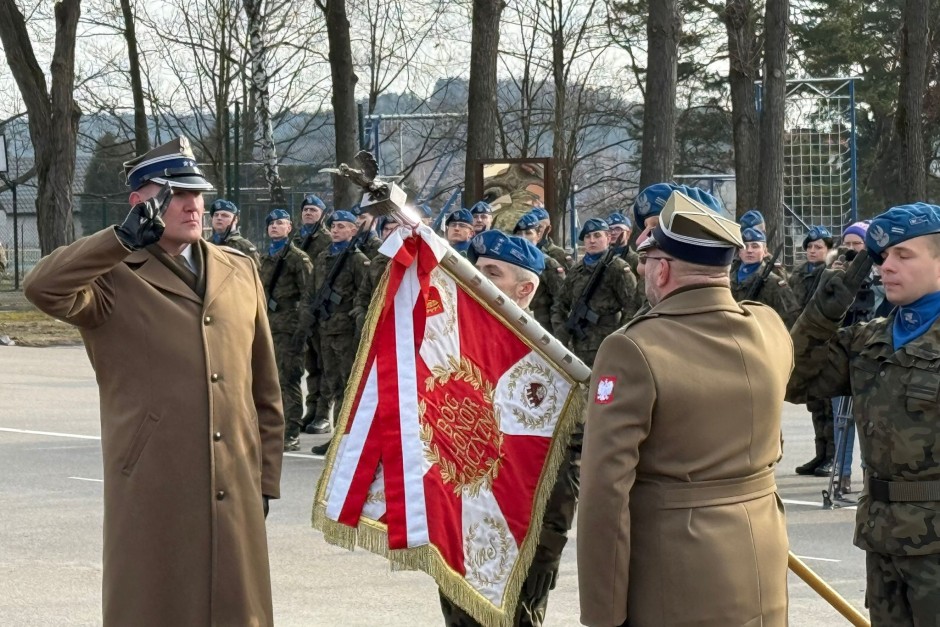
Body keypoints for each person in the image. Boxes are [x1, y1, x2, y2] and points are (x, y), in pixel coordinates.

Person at [23, 137, 284, 626]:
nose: (193, 205)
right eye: (176, 193)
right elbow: (41, 288)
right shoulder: (110, 276)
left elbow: (263, 387)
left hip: (236, 481)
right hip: (154, 485)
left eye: (197, 193)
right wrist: (117, 241)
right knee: (154, 607)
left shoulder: (239, 269)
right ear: (139, 202)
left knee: (238, 609)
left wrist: (265, 476)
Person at [578, 190, 791, 627]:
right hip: (763, 560)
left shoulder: (632, 349)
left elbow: (605, 493)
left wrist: (603, 614)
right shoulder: (770, 328)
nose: (641, 271)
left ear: (663, 268)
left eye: (645, 261)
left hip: (677, 575)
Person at [786, 202, 940, 625]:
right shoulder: (869, 338)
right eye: (882, 257)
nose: (886, 267)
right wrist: (823, 312)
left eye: (903, 255)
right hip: (883, 536)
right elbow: (794, 381)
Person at [439, 231, 576, 627]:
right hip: (459, 532)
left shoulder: (547, 366)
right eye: (474, 268)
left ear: (525, 288)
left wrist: (546, 551)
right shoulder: (460, 349)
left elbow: (563, 473)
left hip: (516, 542)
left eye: (491, 272)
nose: (474, 278)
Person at [294, 210, 371, 450]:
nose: (336, 230)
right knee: (334, 384)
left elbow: (363, 294)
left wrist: (355, 320)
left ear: (353, 230)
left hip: (346, 333)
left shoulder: (358, 260)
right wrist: (307, 316)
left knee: (349, 385)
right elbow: (310, 291)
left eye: (341, 226)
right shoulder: (324, 257)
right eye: (333, 226)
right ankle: (339, 437)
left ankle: (348, 439)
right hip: (324, 330)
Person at [550, 218, 641, 367]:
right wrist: (561, 336)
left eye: (597, 236)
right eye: (587, 237)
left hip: (608, 345)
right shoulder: (576, 270)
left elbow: (633, 306)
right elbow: (559, 304)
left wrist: (620, 338)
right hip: (578, 348)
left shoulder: (618, 268)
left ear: (608, 238)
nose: (592, 240)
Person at [260, 208, 313, 451]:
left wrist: (301, 332)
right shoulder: (266, 257)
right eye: (271, 223)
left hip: (289, 327)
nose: (274, 227)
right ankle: (272, 429)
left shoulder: (297, 258)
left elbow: (307, 296)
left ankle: (291, 431)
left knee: (289, 379)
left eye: (280, 223)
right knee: (269, 380)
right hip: (269, 325)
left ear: (289, 227)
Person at [790, 225, 837, 476]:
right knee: (815, 403)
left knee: (829, 405)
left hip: (826, 344)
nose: (812, 250)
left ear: (829, 250)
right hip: (805, 345)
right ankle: (820, 455)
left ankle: (833, 457)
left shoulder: (831, 273)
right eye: (809, 246)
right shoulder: (797, 275)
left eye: (818, 247)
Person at [294, 193, 332, 432]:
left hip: (322, 309)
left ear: (323, 215)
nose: (309, 213)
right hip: (303, 310)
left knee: (325, 363)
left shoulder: (327, 240)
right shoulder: (297, 239)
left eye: (314, 210)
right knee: (311, 363)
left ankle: (323, 413)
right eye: (306, 210)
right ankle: (311, 409)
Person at [730, 227, 799, 327]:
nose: (749, 250)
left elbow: (790, 321)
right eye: (744, 246)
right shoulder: (727, 278)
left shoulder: (774, 283)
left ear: (765, 251)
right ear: (739, 251)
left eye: (755, 246)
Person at [514, 210, 564, 331]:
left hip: (542, 329)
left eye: (528, 233)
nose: (523, 238)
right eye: (519, 233)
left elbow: (561, 301)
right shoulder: (509, 262)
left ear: (538, 236)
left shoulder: (548, 264)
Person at [206, 198, 260, 266]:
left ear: (235, 219)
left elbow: (256, 274)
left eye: (225, 215)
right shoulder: (206, 244)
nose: (219, 218)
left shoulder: (244, 247)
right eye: (216, 215)